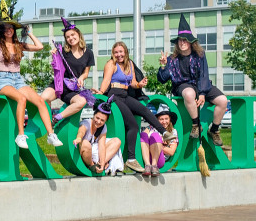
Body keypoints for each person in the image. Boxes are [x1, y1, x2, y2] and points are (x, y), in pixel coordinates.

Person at [0, 0, 62, 149]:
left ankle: (51, 134)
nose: (8, 30)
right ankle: (20, 135)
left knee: (39, 101)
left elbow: (39, 46)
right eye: (5, 28)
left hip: (18, 79)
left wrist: (29, 33)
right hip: (3, 80)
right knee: (21, 99)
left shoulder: (19, 45)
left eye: (11, 27)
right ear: (1, 31)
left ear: (14, 29)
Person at [158, 13, 228, 147]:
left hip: (202, 85)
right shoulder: (173, 59)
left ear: (190, 42)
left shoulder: (199, 55)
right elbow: (162, 79)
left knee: (223, 101)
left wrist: (202, 93)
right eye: (180, 40)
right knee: (189, 93)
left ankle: (214, 130)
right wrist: (163, 65)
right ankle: (196, 124)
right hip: (183, 85)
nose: (182, 43)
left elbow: (204, 74)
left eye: (185, 40)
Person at [95, 41, 166, 174]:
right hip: (114, 95)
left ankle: (164, 132)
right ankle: (131, 159)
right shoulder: (111, 64)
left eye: (121, 52)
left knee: (145, 110)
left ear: (125, 52)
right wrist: (101, 91)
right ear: (113, 53)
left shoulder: (130, 64)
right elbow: (106, 80)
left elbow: (132, 83)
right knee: (133, 125)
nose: (119, 54)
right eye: (116, 52)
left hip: (125, 94)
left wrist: (140, 84)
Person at [41, 17, 96, 123]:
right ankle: (47, 123)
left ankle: (57, 118)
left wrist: (81, 78)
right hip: (59, 85)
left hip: (72, 88)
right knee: (43, 98)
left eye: (73, 35)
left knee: (81, 102)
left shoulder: (89, 53)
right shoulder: (63, 51)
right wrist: (55, 54)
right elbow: (57, 65)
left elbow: (86, 72)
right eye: (67, 37)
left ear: (79, 35)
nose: (71, 38)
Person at [73, 98, 123, 176]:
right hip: (85, 153)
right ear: (94, 115)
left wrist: (102, 162)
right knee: (85, 143)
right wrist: (79, 138)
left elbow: (102, 145)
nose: (99, 122)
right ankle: (92, 165)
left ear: (105, 121)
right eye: (97, 118)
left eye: (102, 120)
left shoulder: (103, 127)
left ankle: (100, 165)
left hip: (95, 153)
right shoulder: (87, 122)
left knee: (117, 141)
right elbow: (81, 130)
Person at [139, 103, 179, 177]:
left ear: (170, 119)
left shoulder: (173, 132)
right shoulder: (151, 128)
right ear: (157, 120)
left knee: (155, 136)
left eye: (166, 119)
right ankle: (147, 166)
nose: (164, 122)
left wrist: (159, 144)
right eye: (161, 119)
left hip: (159, 160)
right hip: (147, 157)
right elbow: (142, 139)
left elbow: (171, 152)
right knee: (143, 135)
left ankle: (154, 166)